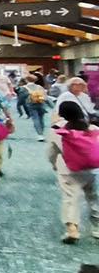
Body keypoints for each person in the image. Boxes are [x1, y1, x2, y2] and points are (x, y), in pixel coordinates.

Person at [51, 100, 99, 243]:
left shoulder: (57, 130)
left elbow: (52, 151)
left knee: (70, 197)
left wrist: (54, 163)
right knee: (93, 197)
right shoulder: (93, 128)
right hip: (92, 169)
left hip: (68, 169)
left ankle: (72, 229)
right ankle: (97, 228)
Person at [25, 72, 49, 141]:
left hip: (31, 105)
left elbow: (21, 98)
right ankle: (42, 132)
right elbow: (45, 97)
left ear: (26, 80)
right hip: (41, 104)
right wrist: (51, 105)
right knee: (41, 119)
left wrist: (20, 107)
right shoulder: (39, 87)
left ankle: (39, 134)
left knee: (35, 119)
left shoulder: (25, 88)